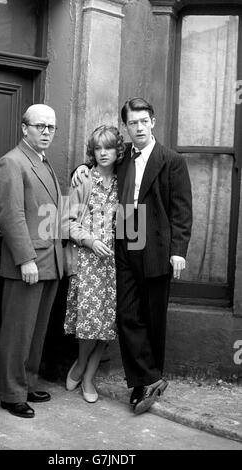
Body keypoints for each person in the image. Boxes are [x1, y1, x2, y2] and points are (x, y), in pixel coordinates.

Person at [72, 98, 192, 414]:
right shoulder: (124, 157)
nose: (138, 127)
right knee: (126, 315)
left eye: (143, 121)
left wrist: (178, 251)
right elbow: (101, 163)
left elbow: (182, 210)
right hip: (125, 240)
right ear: (126, 126)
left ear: (152, 121)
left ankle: (144, 384)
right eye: (132, 123)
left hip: (156, 247)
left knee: (152, 316)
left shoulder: (172, 160)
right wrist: (81, 168)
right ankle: (148, 379)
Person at [0, 104, 63, 418]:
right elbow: (11, 215)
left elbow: (47, 214)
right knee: (18, 331)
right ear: (25, 128)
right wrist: (25, 259)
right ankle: (11, 393)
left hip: (50, 261)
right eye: (40, 126)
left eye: (51, 127)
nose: (46, 132)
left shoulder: (43, 162)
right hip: (29, 263)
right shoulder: (12, 162)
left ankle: (27, 383)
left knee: (36, 331)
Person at [64, 125, 125, 403]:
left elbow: (135, 224)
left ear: (117, 150)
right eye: (98, 148)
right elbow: (65, 223)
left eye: (108, 148)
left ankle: (89, 376)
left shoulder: (125, 181)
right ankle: (79, 364)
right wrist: (89, 241)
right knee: (89, 323)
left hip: (116, 265)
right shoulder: (84, 180)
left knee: (107, 325)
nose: (103, 153)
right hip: (88, 263)